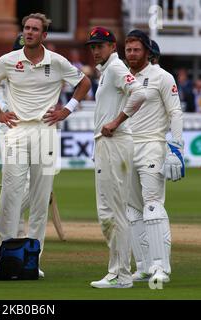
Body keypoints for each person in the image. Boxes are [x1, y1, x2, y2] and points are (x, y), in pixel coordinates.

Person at [0, 13, 91, 273]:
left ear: (44, 35)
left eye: (34, 29)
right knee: (11, 193)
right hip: (16, 130)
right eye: (26, 28)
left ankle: (32, 259)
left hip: (46, 130)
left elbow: (83, 82)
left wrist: (68, 109)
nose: (28, 33)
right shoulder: (8, 60)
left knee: (41, 199)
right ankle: (5, 256)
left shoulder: (58, 62)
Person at [86, 27, 146, 289]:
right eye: (93, 46)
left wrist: (116, 121)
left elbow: (140, 93)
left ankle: (120, 274)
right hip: (108, 144)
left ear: (112, 46)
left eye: (101, 45)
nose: (96, 50)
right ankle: (119, 271)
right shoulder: (107, 70)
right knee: (108, 211)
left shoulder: (115, 68)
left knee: (112, 212)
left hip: (115, 142)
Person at [124, 30, 184, 284]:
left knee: (152, 206)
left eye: (136, 49)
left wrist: (177, 149)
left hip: (152, 145)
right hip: (125, 147)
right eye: (128, 49)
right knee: (132, 211)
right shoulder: (122, 77)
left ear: (147, 52)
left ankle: (161, 267)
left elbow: (176, 112)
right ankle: (144, 266)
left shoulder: (162, 76)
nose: (131, 54)